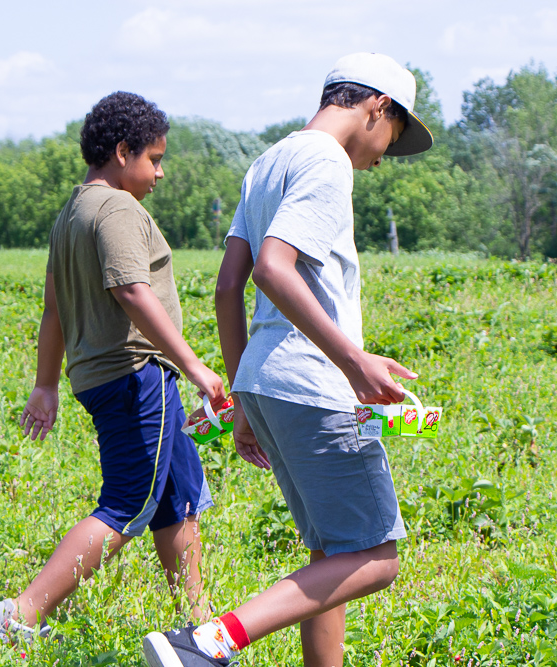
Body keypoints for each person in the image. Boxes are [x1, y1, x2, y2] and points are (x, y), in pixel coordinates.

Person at [141, 52, 434, 667]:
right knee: (377, 558)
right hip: (313, 380)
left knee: (335, 552)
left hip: (270, 382)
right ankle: (207, 643)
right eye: (392, 138)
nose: (381, 158)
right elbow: (274, 269)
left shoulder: (269, 161)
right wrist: (354, 362)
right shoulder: (328, 163)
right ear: (377, 108)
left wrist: (245, 395)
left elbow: (229, 287)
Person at [0, 91, 226, 642]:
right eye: (154, 159)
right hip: (137, 374)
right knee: (125, 504)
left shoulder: (72, 211)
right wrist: (194, 365)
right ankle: (19, 615)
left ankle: (199, 620)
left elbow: (53, 307)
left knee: (178, 496)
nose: (159, 173)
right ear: (121, 151)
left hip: (107, 375)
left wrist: (46, 384)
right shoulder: (115, 208)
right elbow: (133, 290)